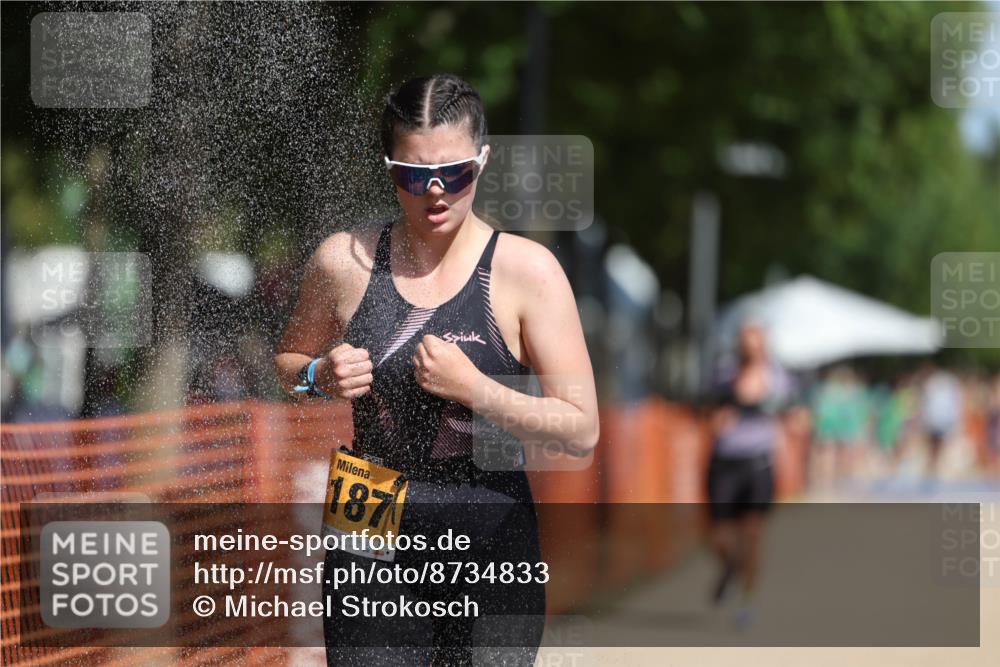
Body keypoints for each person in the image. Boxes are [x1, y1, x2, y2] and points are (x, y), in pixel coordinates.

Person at [275, 73, 599, 666]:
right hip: (367, 502)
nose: (435, 193)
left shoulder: (529, 272)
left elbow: (581, 427)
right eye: (413, 175)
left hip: (487, 513)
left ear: (484, 160)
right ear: (389, 168)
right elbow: (287, 363)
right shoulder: (342, 261)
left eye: (455, 173)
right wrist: (318, 375)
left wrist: (477, 389)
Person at [706, 322, 795, 628]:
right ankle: (730, 568)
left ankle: (748, 600)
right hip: (725, 464)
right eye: (746, 343)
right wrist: (719, 417)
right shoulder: (723, 373)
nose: (751, 350)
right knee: (720, 538)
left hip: (759, 465)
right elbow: (708, 410)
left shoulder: (779, 377)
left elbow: (793, 412)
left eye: (757, 344)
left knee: (754, 534)